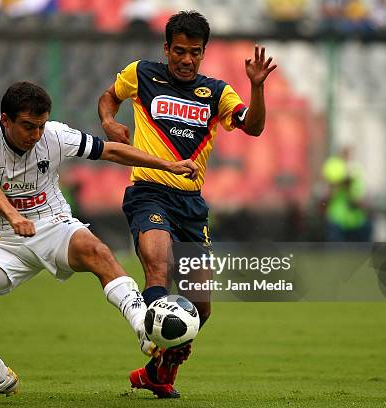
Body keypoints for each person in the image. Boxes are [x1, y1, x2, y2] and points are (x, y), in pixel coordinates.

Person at [0, 81, 198, 404]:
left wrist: (167, 164)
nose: (35, 135)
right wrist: (14, 217)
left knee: (98, 251)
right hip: (3, 238)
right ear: (6, 120)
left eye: (40, 126)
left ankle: (144, 328)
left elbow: (109, 150)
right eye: (28, 127)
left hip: (53, 225)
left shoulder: (54, 135)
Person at [98, 10, 276, 398]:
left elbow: (255, 127)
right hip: (148, 192)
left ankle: (158, 372)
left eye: (194, 52)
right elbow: (108, 98)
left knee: (202, 308)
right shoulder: (142, 73)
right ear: (166, 48)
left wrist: (257, 88)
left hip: (192, 206)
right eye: (179, 51)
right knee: (158, 268)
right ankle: (151, 337)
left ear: (204, 53)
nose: (186, 59)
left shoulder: (216, 92)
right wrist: (110, 122)